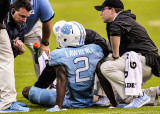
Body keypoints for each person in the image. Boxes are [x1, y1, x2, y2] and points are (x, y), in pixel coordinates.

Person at [22, 20, 108, 112]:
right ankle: (101, 97)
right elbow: (105, 52)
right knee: (100, 65)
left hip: (67, 98)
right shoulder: (94, 48)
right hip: (87, 97)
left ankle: (100, 96)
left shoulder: (59, 54)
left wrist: (57, 106)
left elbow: (59, 78)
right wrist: (114, 104)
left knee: (27, 91)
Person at [94, 0, 160, 108]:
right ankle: (156, 91)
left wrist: (115, 56)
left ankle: (140, 95)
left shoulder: (121, 20)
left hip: (144, 61)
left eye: (102, 10)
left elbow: (115, 31)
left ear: (112, 10)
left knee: (106, 67)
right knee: (120, 97)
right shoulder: (119, 20)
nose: (100, 13)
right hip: (140, 62)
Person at [11, 0, 54, 79]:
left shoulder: (42, 2)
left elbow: (47, 22)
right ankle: (5, 89)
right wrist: (12, 42)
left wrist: (45, 44)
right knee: (5, 56)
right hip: (10, 29)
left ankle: (49, 87)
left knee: (43, 56)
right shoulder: (8, 2)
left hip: (32, 28)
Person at [0, 0, 30, 112]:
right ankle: (7, 102)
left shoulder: (22, 25)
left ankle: (5, 99)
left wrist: (19, 48)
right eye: (22, 16)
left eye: (26, 17)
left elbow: (17, 50)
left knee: (4, 62)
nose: (24, 20)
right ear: (12, 11)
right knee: (5, 62)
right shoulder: (4, 19)